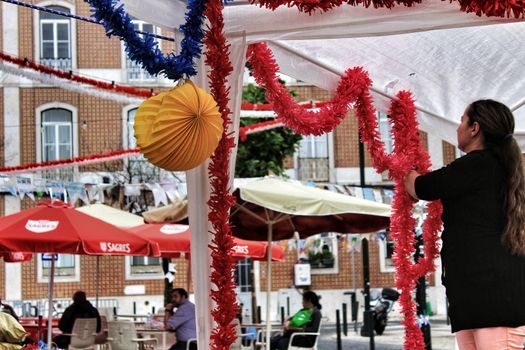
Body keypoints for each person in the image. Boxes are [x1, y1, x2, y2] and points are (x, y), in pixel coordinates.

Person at [404, 99, 525, 349]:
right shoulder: (491, 166)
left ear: (475, 128)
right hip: (475, 299)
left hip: (495, 302)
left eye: (462, 120)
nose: (457, 127)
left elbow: (422, 187)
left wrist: (405, 168)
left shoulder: (479, 164)